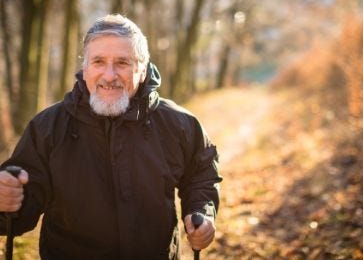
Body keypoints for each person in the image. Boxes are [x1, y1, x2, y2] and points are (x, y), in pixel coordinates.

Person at [0, 14, 222, 259]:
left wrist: (201, 211)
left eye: (122, 63)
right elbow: (18, 213)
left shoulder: (179, 124)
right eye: (98, 62)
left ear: (142, 68)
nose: (109, 75)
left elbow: (201, 175)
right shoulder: (47, 128)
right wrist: (6, 202)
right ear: (85, 69)